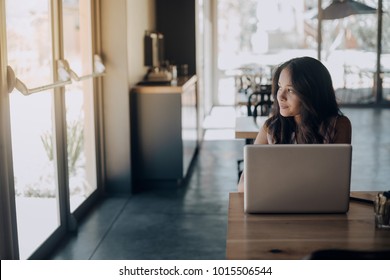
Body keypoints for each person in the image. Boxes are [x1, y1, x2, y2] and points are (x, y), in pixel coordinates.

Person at [237, 56, 352, 192]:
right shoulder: (271, 127)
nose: (280, 96)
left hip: (318, 206)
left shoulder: (338, 125)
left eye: (290, 90)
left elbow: (338, 183)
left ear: (312, 93)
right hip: (276, 201)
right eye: (280, 87)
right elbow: (242, 185)